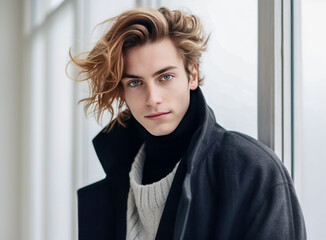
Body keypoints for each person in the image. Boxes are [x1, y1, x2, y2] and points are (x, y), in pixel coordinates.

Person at [69, 7, 306, 240]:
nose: (152, 99)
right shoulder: (115, 186)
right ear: (122, 90)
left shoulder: (252, 170)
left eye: (165, 77)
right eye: (135, 83)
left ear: (192, 75)